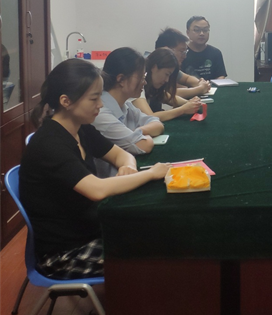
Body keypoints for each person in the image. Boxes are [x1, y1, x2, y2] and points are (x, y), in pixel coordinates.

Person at [19, 58, 170, 279]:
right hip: (63, 254)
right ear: (66, 101)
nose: (100, 104)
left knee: (158, 231)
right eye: (94, 98)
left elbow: (120, 154)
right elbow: (97, 190)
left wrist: (128, 166)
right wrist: (151, 174)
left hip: (88, 230)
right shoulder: (49, 144)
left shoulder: (81, 128)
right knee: (160, 251)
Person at [92, 47, 164, 177]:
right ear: (121, 79)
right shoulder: (100, 113)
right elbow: (144, 145)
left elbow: (157, 123)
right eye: (141, 77)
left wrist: (137, 131)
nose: (144, 82)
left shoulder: (125, 106)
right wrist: (140, 136)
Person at [133, 47, 202, 121]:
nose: (167, 80)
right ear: (154, 67)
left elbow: (168, 97)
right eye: (166, 74)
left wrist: (190, 103)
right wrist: (183, 109)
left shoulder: (153, 85)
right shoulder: (136, 85)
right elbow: (150, 117)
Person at [155, 27, 211, 98]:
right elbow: (169, 93)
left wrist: (200, 83)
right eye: (182, 51)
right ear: (167, 50)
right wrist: (200, 89)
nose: (184, 56)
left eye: (185, 52)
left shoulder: (171, 67)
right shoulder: (154, 66)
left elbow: (186, 78)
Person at [182, 16, 227, 80]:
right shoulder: (182, 53)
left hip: (212, 86)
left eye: (205, 30)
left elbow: (221, 76)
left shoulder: (215, 53)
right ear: (188, 33)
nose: (202, 34)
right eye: (197, 30)